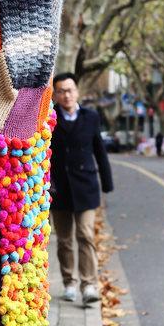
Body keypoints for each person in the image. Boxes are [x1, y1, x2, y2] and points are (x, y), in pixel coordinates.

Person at [49, 73, 114, 305]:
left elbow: (99, 151)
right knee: (64, 240)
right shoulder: (49, 118)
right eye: (61, 91)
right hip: (58, 189)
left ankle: (89, 285)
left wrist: (107, 182)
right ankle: (69, 283)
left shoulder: (91, 117)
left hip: (86, 187)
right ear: (55, 95)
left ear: (77, 91)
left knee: (85, 235)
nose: (66, 95)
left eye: (70, 90)